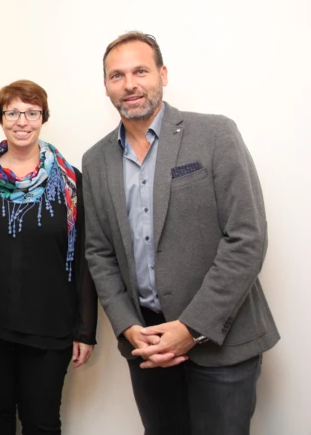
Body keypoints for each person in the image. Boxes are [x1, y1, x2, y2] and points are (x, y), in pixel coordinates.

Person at [82, 31, 280, 435]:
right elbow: (99, 253)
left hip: (222, 343)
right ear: (106, 86)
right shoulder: (96, 159)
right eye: (117, 75)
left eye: (140, 70)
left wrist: (191, 329)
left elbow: (247, 238)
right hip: (148, 345)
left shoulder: (215, 135)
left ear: (163, 74)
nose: (130, 84)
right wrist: (126, 326)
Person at [0, 80, 97, 435]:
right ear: (0, 119)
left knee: (41, 422)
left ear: (43, 117)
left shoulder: (71, 182)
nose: (22, 121)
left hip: (50, 328)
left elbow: (87, 259)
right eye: (12, 112)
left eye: (32, 112)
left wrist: (85, 330)